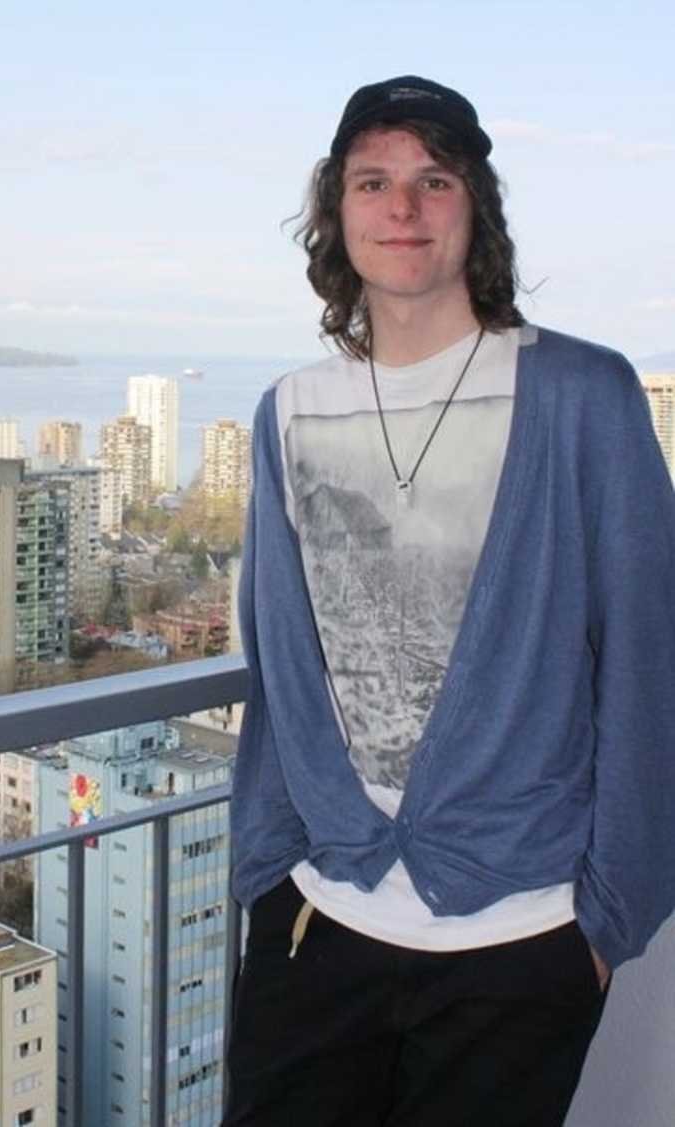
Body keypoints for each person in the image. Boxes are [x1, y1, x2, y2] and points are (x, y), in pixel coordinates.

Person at [222, 76, 675, 1127]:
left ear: (478, 208)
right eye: (374, 180)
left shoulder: (581, 396)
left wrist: (606, 919)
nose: (405, 207)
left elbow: (650, 657)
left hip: (519, 940)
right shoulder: (288, 410)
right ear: (336, 211)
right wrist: (271, 872)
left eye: (436, 179)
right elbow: (283, 665)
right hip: (318, 921)